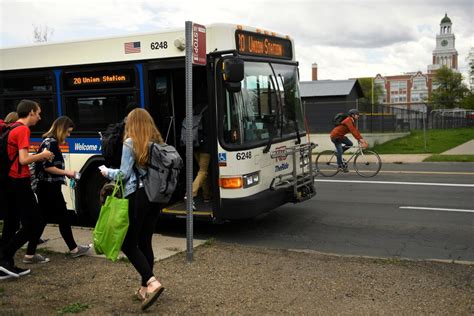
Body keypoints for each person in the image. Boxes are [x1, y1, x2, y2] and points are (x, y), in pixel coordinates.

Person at [100, 108, 164, 310]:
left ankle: (152, 283)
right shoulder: (157, 141)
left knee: (128, 244)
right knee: (145, 241)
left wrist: (105, 171)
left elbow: (124, 174)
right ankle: (144, 289)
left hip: (138, 196)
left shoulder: (130, 142)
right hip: (156, 197)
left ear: (132, 123)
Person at [0, 99, 54, 279]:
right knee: (35, 223)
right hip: (19, 181)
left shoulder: (11, 127)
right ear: (30, 112)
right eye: (38, 113)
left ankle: (5, 264)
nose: (39, 117)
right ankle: (5, 257)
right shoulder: (23, 129)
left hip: (8, 181)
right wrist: (42, 155)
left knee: (12, 222)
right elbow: (23, 160)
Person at [30, 116, 90, 259]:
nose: (68, 136)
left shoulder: (49, 142)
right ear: (61, 129)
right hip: (49, 187)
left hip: (47, 186)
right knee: (62, 217)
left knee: (43, 219)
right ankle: (74, 250)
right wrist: (67, 172)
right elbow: (48, 167)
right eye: (68, 132)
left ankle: (30, 253)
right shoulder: (51, 144)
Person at [191, 103, 211, 203]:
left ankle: (206, 195)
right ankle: (191, 193)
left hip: (195, 146)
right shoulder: (209, 110)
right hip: (206, 148)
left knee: (202, 172)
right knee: (203, 172)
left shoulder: (195, 109)